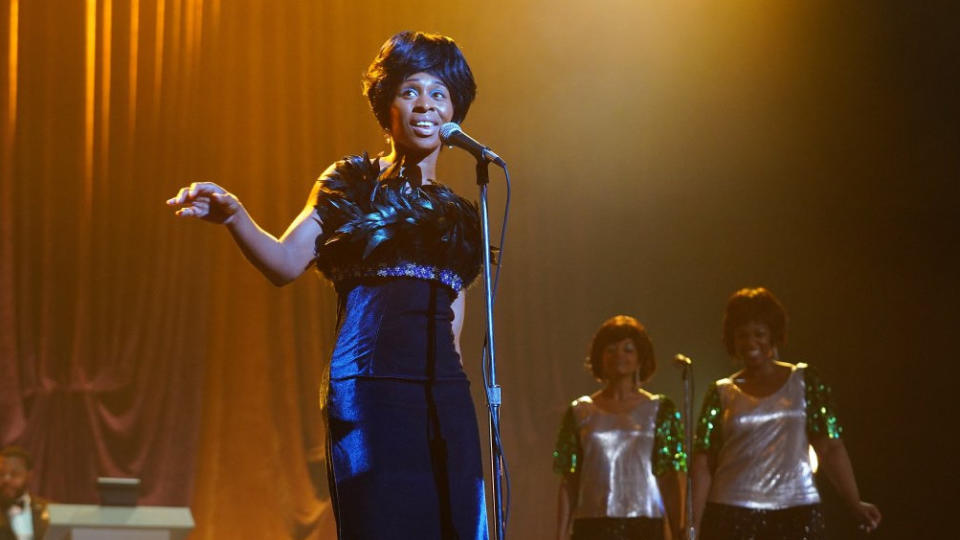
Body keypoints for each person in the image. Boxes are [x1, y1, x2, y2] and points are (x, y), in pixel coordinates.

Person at [166, 31, 488, 539]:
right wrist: (236, 216)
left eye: (438, 93)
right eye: (409, 90)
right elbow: (285, 263)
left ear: (455, 114)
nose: (424, 104)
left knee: (455, 523)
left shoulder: (460, 218)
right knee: (382, 521)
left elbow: (453, 335)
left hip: (443, 394)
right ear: (387, 107)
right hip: (369, 388)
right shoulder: (350, 182)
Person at [691, 287, 882, 539]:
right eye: (742, 335)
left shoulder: (804, 381)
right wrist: (691, 522)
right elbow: (703, 462)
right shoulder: (721, 392)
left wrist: (854, 501)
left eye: (759, 334)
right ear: (732, 340)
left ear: (773, 335)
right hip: (732, 511)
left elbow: (830, 447)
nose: (750, 343)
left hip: (797, 510)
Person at [553, 315, 686, 540]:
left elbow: (669, 477)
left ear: (641, 358)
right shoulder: (580, 411)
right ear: (599, 357)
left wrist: (678, 530)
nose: (619, 356)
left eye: (628, 349)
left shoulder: (659, 409)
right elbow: (570, 480)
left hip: (644, 525)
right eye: (611, 349)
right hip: (592, 525)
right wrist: (560, 533)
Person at [0, 446, 49, 540]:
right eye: (1, 474)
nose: (6, 480)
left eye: (14, 474)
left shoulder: (50, 509)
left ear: (29, 476)